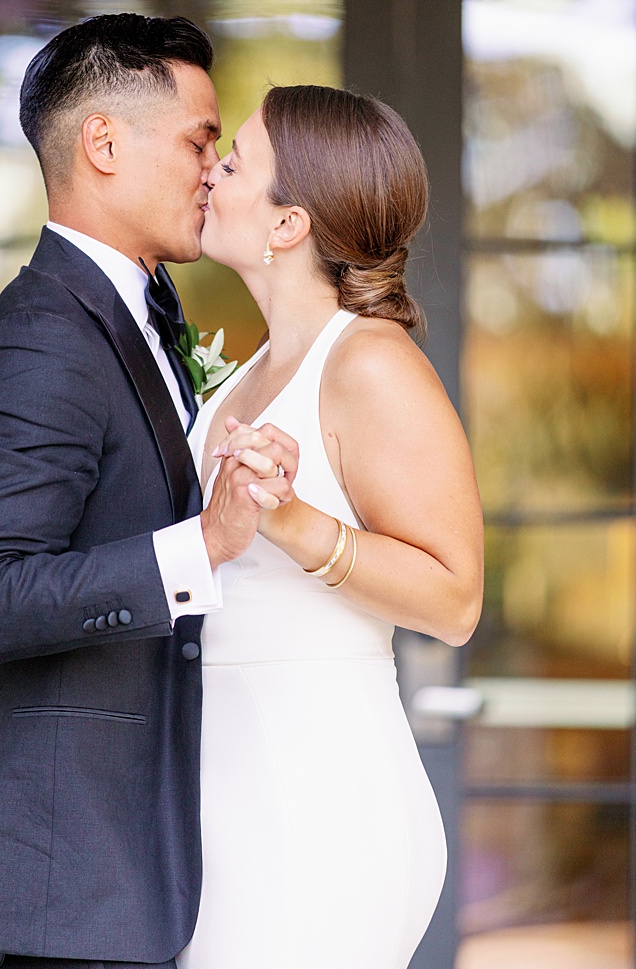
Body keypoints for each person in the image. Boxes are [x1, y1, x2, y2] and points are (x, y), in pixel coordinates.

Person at [0, 14, 296, 968]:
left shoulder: (136, 315)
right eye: (200, 141)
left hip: (116, 874)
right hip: (53, 884)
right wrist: (202, 543)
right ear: (104, 142)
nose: (213, 168)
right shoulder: (40, 338)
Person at [178, 85, 481, 968]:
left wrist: (296, 522)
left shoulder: (373, 364)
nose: (210, 171)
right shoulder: (243, 378)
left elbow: (456, 600)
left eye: (233, 162)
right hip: (225, 807)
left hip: (317, 810)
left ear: (287, 226)